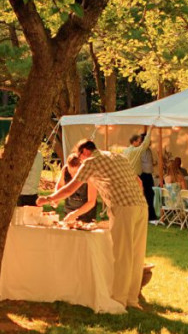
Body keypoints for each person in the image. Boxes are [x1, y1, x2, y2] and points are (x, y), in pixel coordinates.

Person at [39, 139, 147, 309]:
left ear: (85, 152)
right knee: (136, 254)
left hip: (123, 207)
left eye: (80, 157)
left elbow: (70, 189)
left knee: (123, 255)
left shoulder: (90, 162)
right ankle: (132, 300)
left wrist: (48, 198)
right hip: (141, 206)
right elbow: (139, 182)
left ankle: (119, 300)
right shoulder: (117, 157)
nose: (80, 161)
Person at [122, 128, 156, 221]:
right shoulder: (135, 151)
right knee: (139, 197)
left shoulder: (126, 151)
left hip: (131, 176)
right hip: (136, 176)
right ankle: (140, 216)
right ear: (134, 142)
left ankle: (136, 216)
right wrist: (150, 129)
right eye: (139, 141)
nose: (140, 143)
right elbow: (145, 144)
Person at [54, 153, 97, 222]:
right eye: (70, 172)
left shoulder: (89, 174)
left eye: (75, 173)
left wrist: (75, 214)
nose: (72, 176)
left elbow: (91, 202)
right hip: (68, 211)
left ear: (81, 168)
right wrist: (56, 197)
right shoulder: (65, 170)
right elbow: (60, 185)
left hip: (86, 214)